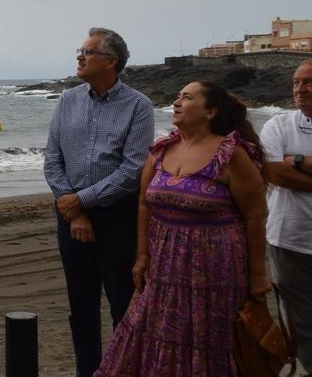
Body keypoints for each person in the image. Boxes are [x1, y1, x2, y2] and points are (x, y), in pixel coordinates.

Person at [95, 82, 270, 375]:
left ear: (210, 112)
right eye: (177, 96)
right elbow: (143, 204)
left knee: (208, 338)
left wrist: (258, 276)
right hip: (164, 267)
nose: (177, 102)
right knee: (147, 331)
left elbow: (255, 216)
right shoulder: (162, 149)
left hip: (216, 270)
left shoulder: (230, 154)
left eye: (187, 98)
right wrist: (141, 256)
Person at [42, 27, 153, 377]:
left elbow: (133, 169)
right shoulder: (67, 100)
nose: (80, 56)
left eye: (87, 52)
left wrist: (82, 202)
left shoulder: (138, 106)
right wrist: (70, 205)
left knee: (122, 302)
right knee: (81, 306)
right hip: (68, 213)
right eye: (81, 50)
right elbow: (52, 160)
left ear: (111, 61)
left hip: (117, 216)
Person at [260, 58, 312, 373]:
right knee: (300, 322)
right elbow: (273, 172)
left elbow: (284, 168)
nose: (300, 88)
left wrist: (298, 159)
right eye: (296, 82)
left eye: (308, 81)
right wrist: (289, 165)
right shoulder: (278, 125)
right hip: (290, 241)